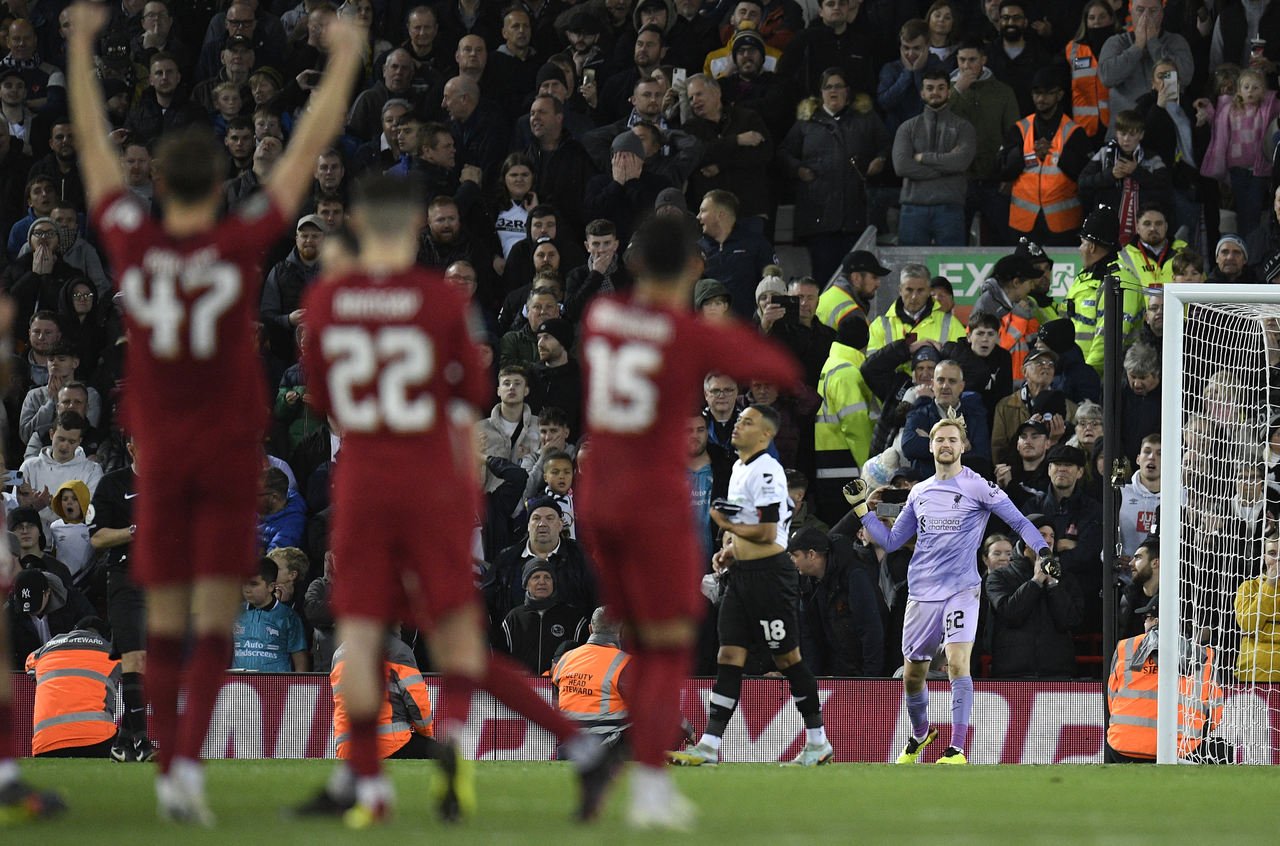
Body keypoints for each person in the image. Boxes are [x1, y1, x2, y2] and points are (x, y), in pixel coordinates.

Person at [66, 1, 366, 824]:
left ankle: (168, 768)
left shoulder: (136, 239)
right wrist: (342, 57)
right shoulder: (240, 243)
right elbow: (304, 153)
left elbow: (95, 158)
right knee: (215, 620)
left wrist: (83, 46)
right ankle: (189, 764)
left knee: (163, 621)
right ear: (221, 184)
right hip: (232, 457)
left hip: (160, 456)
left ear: (159, 183)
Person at [297, 174, 616, 827]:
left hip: (364, 483)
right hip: (429, 485)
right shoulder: (440, 302)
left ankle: (364, 784)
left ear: (359, 223)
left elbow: (322, 399)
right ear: (413, 227)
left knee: (357, 637)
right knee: (459, 648)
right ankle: (584, 749)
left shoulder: (332, 299)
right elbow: (468, 393)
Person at [577, 214, 799, 829]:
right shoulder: (684, 332)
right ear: (694, 269)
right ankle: (649, 787)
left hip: (598, 495)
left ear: (633, 264)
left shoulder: (599, 319)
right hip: (652, 495)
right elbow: (776, 369)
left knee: (638, 640)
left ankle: (607, 758)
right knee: (671, 642)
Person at [849, 410, 1052, 764]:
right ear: (930, 447)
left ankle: (956, 748)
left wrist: (1045, 551)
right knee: (913, 675)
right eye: (940, 439)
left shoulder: (978, 486)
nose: (946, 444)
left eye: (952, 439)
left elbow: (1019, 521)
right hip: (922, 592)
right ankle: (921, 733)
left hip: (962, 589)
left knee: (959, 664)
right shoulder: (919, 493)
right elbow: (894, 541)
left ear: (963, 446)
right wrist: (862, 511)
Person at [671, 405, 834, 768]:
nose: (738, 426)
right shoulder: (740, 467)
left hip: (770, 577)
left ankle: (818, 740)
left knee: (787, 659)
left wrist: (721, 520)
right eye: (739, 420)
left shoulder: (767, 471)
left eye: (748, 422)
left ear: (765, 435)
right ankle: (710, 745)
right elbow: (747, 524)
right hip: (742, 574)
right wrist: (730, 551)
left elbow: (765, 532)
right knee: (728, 656)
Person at [1105, 595, 1225, 763]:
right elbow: (1215, 713)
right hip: (1182, 749)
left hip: (1123, 745)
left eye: (1146, 618)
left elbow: (1112, 699)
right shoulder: (1205, 656)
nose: (1144, 623)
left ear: (1156, 620)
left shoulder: (1126, 647)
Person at [890, 66, 975, 246]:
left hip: (950, 207)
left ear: (949, 92)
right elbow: (901, 166)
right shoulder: (907, 127)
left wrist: (922, 158)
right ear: (922, 93)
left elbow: (961, 162)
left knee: (951, 269)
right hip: (913, 208)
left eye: (940, 88)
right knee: (911, 268)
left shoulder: (963, 127)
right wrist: (945, 169)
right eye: (929, 88)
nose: (935, 92)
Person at [788, 526, 885, 677]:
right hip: (836, 672)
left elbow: (871, 632)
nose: (792, 561)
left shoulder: (854, 577)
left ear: (812, 554)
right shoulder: (806, 585)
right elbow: (809, 637)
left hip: (863, 673)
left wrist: (870, 680)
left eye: (794, 555)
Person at [24, 616, 119, 757]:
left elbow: (29, 666)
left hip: (45, 744)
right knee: (124, 747)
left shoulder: (44, 650)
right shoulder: (111, 652)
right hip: (98, 741)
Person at [330, 632, 435, 760]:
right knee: (441, 756)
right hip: (388, 745)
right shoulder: (398, 650)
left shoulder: (339, 654)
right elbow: (418, 704)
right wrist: (427, 734)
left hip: (347, 748)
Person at [551, 607, 632, 748]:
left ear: (590, 629)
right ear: (622, 631)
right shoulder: (625, 663)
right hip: (608, 745)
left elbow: (556, 702)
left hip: (569, 745)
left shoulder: (566, 658)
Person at [500, 561, 589, 675]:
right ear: (526, 584)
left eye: (547, 577)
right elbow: (501, 658)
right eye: (536, 577)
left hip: (561, 689)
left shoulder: (573, 618)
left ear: (554, 583)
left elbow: (584, 657)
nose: (542, 582)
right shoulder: (514, 617)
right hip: (524, 688)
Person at [231, 558, 308, 672]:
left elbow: (300, 660)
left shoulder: (288, 616)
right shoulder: (235, 612)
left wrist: (299, 687)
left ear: (271, 587)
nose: (247, 589)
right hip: (239, 686)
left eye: (253, 584)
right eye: (244, 583)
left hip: (275, 687)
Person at [1234, 535, 1280, 682]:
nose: (1278, 559)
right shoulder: (1248, 588)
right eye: (1273, 554)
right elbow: (1248, 625)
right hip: (1254, 677)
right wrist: (1271, 584)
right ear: (1264, 557)